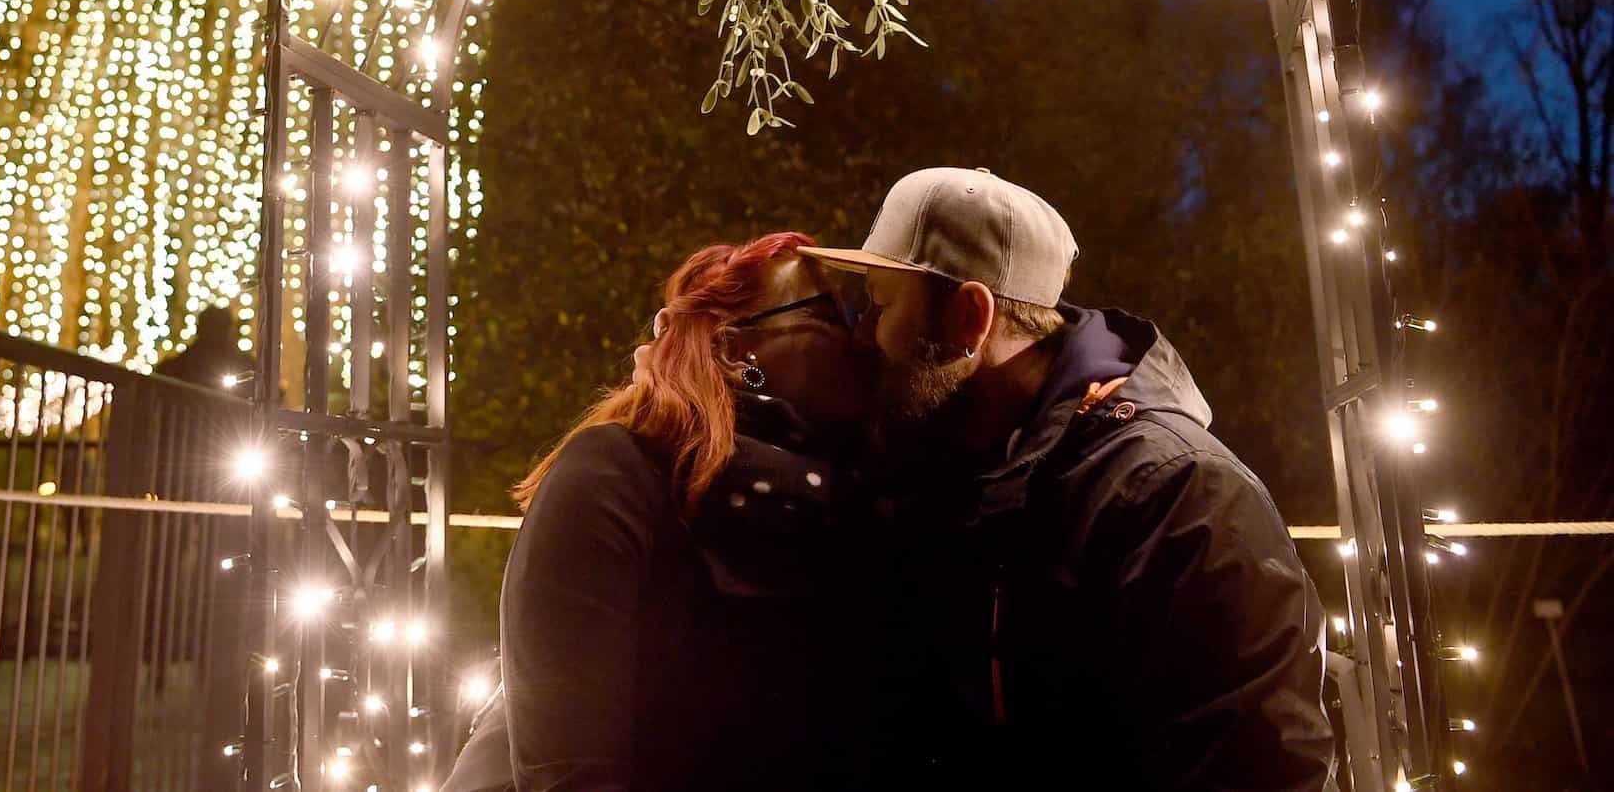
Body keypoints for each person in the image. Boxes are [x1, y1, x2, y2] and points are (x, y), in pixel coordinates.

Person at [798, 167, 1334, 792]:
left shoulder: (1179, 495)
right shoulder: (954, 463)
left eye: (881, 305)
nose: (862, 333)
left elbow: (1257, 768)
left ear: (970, 319)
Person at [448, 232, 880, 792]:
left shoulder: (839, 498)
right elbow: (568, 773)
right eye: (826, 311)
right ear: (737, 349)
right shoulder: (611, 476)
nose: (854, 333)